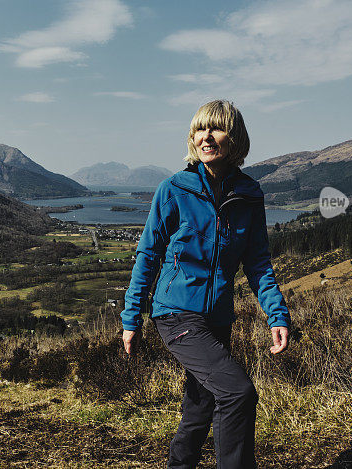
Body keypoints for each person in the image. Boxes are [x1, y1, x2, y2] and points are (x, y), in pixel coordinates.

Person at [121, 99, 290, 469]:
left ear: (235, 139)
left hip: (217, 317)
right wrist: (132, 316)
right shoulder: (174, 189)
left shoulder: (248, 194)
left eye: (216, 128)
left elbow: (258, 262)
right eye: (200, 129)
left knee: (201, 406)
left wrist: (276, 314)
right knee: (238, 393)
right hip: (176, 314)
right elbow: (148, 254)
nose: (206, 136)